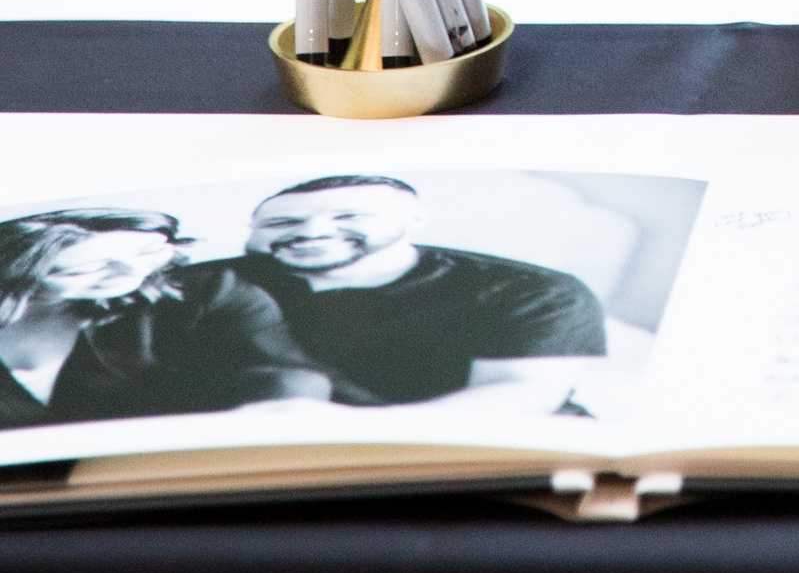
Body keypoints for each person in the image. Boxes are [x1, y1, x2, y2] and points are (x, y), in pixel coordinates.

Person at [238, 175, 606, 410]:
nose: (313, 232)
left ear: (416, 220)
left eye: (351, 216)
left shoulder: (529, 290)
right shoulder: (209, 283)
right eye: (281, 222)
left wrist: (337, 432)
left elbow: (520, 397)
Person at [0, 208, 324, 429]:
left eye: (149, 253)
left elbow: (281, 369)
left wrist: (285, 405)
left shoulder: (207, 291)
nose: (135, 273)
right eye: (85, 269)